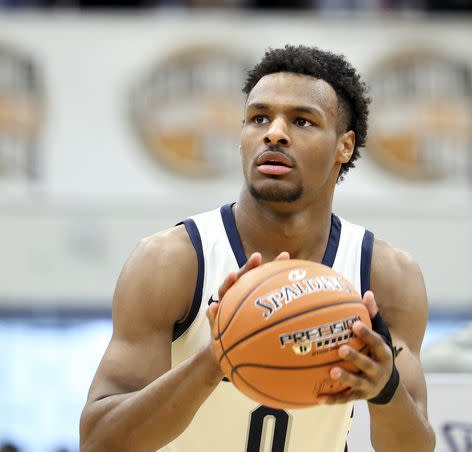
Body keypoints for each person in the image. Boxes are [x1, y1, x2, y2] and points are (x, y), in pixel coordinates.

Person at [79, 45, 435, 452]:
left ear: (345, 146)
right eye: (259, 117)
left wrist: (386, 389)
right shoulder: (173, 260)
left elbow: (415, 447)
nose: (274, 132)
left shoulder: (386, 276)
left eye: (302, 121)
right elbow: (99, 442)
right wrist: (216, 357)